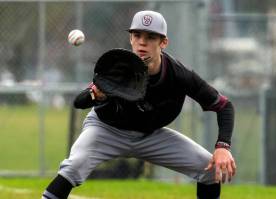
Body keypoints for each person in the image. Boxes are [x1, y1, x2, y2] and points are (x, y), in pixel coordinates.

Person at [42, 10, 236, 199]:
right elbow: (79, 101)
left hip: (150, 136)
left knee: (210, 170)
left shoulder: (179, 76)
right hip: (107, 131)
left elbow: (224, 106)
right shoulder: (118, 66)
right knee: (74, 167)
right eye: (137, 35)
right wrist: (96, 96)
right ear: (131, 39)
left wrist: (223, 147)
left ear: (164, 42)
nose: (142, 42)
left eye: (151, 36)